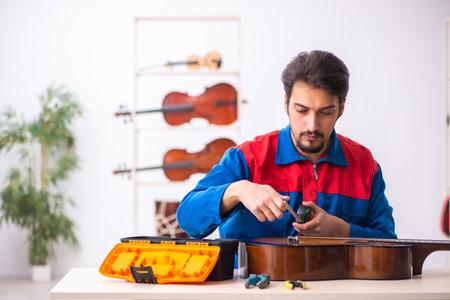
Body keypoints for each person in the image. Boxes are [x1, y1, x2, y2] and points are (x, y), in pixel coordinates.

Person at [176, 50, 397, 243]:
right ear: (286, 104)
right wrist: (237, 190)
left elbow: (388, 242)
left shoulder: (365, 165)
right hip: (253, 290)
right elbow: (187, 219)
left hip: (333, 289)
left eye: (325, 112)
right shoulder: (247, 158)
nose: (312, 125)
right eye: (301, 110)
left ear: (341, 109)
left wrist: (344, 231)